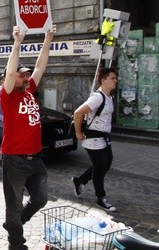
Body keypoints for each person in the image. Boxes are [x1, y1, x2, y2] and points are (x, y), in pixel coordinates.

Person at [0, 25, 55, 250]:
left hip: (36, 158)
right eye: (21, 75)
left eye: (25, 74)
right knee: (13, 205)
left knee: (41, 198)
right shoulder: (8, 95)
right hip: (15, 159)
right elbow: (11, 70)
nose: (25, 76)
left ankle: (15, 224)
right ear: (12, 79)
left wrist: (48, 38)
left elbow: (41, 65)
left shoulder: (30, 89)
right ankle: (16, 242)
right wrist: (17, 43)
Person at [71, 67, 118, 212]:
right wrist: (78, 132)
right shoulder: (98, 97)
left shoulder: (110, 97)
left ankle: (79, 181)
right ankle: (100, 197)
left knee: (105, 164)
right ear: (103, 80)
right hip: (93, 138)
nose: (115, 80)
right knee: (100, 167)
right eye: (112, 78)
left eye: (115, 78)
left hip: (104, 138)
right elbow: (78, 112)